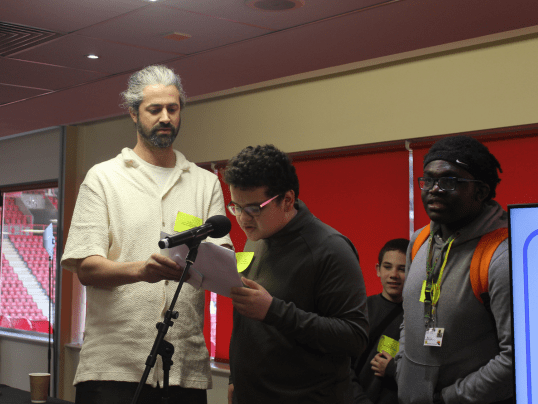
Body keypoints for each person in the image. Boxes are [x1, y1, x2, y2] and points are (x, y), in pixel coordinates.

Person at [61, 65, 232, 404]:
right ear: (133, 113)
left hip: (185, 368)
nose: (166, 117)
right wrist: (141, 271)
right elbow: (86, 268)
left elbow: (220, 262)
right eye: (155, 110)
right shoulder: (103, 178)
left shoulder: (205, 182)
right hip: (113, 368)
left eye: (173, 108)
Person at [224, 144, 369, 404]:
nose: (243, 219)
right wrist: (236, 377)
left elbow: (354, 337)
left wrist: (273, 310)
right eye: (235, 206)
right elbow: (247, 322)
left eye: (254, 209)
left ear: (287, 200)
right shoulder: (256, 236)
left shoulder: (331, 248)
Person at [395, 136, 513, 404]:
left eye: (449, 181)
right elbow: (409, 316)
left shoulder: (500, 255)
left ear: (480, 191)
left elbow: (516, 359)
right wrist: (404, 370)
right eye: (428, 180)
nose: (434, 189)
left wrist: (447, 399)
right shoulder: (419, 241)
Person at [351, 238, 409, 404]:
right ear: (378, 269)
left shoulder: (418, 318)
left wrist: (393, 369)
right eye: (387, 267)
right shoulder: (360, 310)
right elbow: (342, 365)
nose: (393, 275)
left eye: (402, 269)